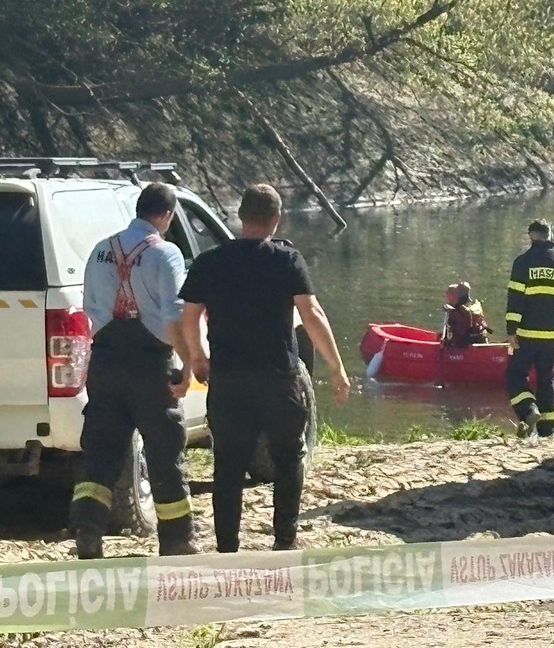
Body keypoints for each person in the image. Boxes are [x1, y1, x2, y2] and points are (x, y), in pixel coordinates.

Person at [179, 184, 351, 553]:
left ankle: (227, 548)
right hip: (279, 379)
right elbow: (311, 314)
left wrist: (197, 357)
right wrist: (336, 367)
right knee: (289, 458)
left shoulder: (210, 262)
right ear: (276, 219)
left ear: (240, 217)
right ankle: (284, 540)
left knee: (228, 466)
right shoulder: (287, 260)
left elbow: (189, 315)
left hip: (228, 380)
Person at [71, 183, 197, 559]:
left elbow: (89, 308)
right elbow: (174, 317)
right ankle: (176, 540)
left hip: (105, 361)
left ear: (139, 209)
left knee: (101, 451)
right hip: (150, 364)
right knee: (164, 451)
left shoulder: (100, 250)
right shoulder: (166, 253)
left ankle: (87, 532)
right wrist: (188, 363)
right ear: (167, 216)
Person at [505, 219, 554, 438]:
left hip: (527, 332)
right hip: (553, 332)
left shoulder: (522, 263)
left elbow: (515, 299)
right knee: (548, 377)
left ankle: (529, 411)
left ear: (530, 235)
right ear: (550, 235)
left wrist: (511, 330)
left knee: (515, 374)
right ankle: (549, 428)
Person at [442, 281, 492, 347]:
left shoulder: (460, 310)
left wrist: (448, 342)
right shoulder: (476, 305)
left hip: (466, 342)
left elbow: (463, 328)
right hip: (479, 337)